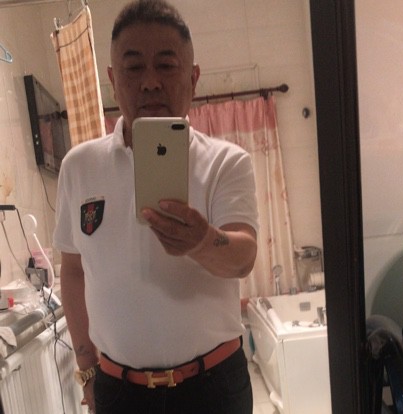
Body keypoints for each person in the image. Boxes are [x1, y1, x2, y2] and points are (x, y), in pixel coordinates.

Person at [53, 1, 259, 413]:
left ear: (193, 78)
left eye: (166, 65)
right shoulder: (79, 167)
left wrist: (202, 241)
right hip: (119, 391)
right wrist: (86, 367)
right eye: (133, 67)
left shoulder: (227, 161)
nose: (150, 83)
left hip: (213, 387)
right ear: (113, 80)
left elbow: (243, 258)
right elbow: (73, 271)